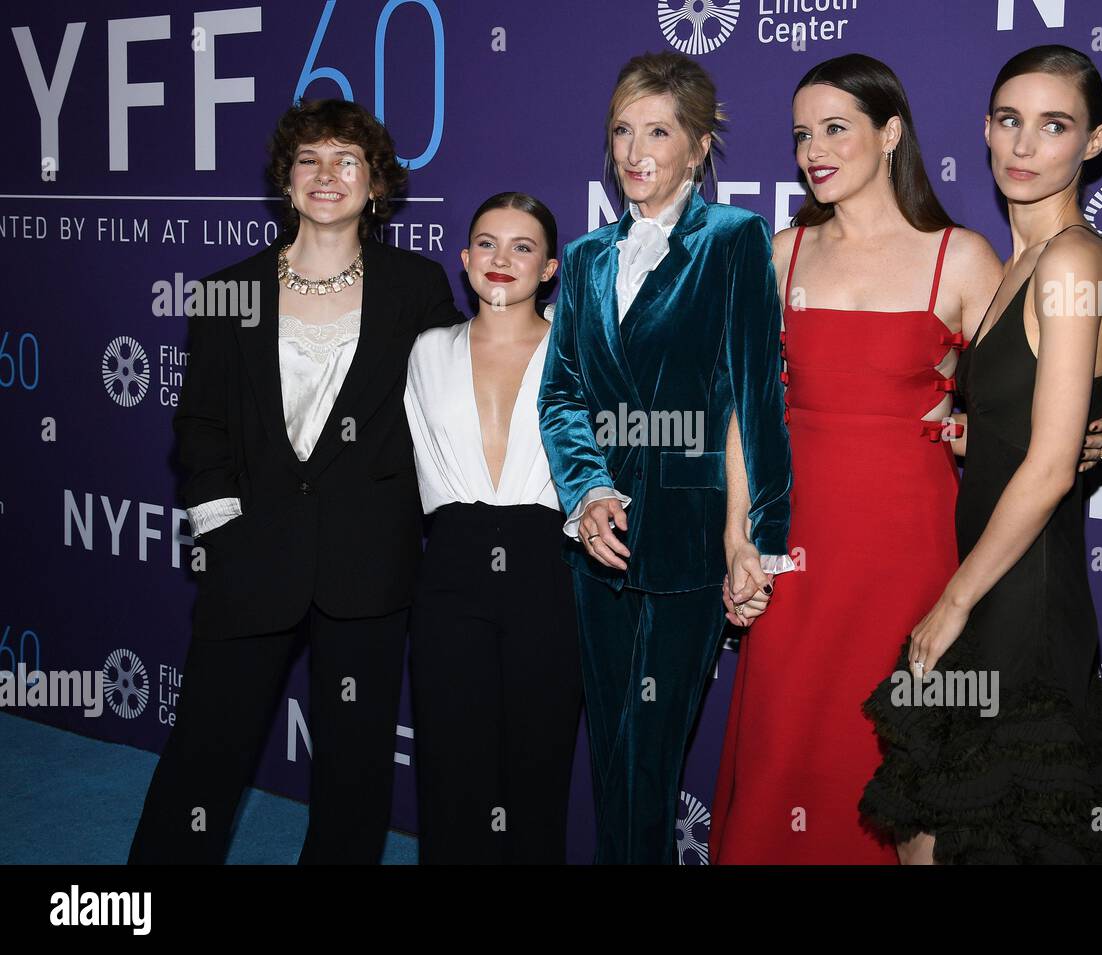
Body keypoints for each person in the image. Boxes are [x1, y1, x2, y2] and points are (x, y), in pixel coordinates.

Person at [710, 54, 1102, 864]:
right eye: (802, 133)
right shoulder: (779, 250)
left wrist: (1086, 431)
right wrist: (738, 538)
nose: (816, 148)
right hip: (799, 544)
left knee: (904, 773)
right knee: (788, 746)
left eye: (838, 127)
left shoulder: (975, 259)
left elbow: (1044, 412)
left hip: (918, 550)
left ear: (890, 132)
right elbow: (746, 408)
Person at [129, 99, 461, 864]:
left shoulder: (415, 287)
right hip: (250, 557)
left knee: (354, 767)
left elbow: (459, 390)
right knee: (205, 753)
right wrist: (224, 526)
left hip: (368, 563)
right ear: (286, 179)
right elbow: (200, 424)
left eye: (348, 160)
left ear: (377, 184)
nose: (327, 175)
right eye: (309, 159)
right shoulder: (229, 289)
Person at [860, 45, 1102, 865]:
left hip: (1018, 601)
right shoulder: (1019, 264)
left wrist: (953, 602)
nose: (1024, 147)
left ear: (1092, 143)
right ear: (987, 131)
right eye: (1008, 121)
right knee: (935, 838)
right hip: (997, 582)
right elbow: (1028, 430)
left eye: (1053, 126)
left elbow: (1051, 464)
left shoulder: (1072, 260)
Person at [537, 51, 792, 864]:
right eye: (621, 130)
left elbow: (757, 398)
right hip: (598, 542)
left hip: (688, 541)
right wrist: (587, 493)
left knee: (650, 757)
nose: (635, 151)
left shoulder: (734, 240)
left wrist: (759, 539)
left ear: (698, 146)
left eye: (658, 131)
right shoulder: (581, 258)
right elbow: (562, 394)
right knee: (611, 753)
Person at [403, 192, 582, 864]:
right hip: (451, 566)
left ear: (549, 268)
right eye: (486, 243)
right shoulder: (426, 352)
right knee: (451, 766)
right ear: (464, 259)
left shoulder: (581, 350)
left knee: (537, 767)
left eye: (522, 247)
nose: (501, 259)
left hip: (550, 569)